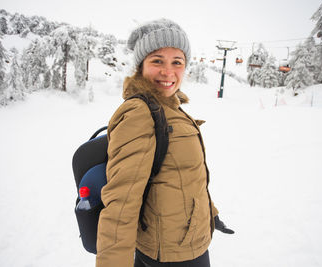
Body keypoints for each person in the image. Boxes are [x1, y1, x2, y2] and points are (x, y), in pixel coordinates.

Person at [96, 18, 233, 267]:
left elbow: (187, 177)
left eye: (177, 62)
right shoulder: (141, 112)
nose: (168, 71)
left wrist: (210, 214)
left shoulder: (170, 107)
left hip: (188, 242)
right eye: (157, 60)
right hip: (171, 254)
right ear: (140, 66)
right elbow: (121, 203)